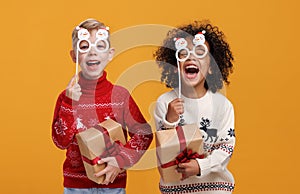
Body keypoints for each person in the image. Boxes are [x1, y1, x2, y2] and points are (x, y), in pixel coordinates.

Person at [52, 18, 153, 194]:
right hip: (76, 186)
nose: (92, 52)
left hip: (113, 184)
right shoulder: (66, 97)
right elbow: (60, 141)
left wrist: (120, 160)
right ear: (74, 56)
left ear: (110, 54)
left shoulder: (120, 96)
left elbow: (143, 134)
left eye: (100, 46)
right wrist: (69, 103)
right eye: (84, 47)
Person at [154, 20, 235, 193]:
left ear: (212, 67)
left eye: (200, 52)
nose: (191, 57)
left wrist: (201, 165)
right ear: (176, 67)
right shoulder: (164, 103)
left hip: (214, 189)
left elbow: (226, 147)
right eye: (184, 53)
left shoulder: (223, 105)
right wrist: (169, 121)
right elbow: (163, 151)